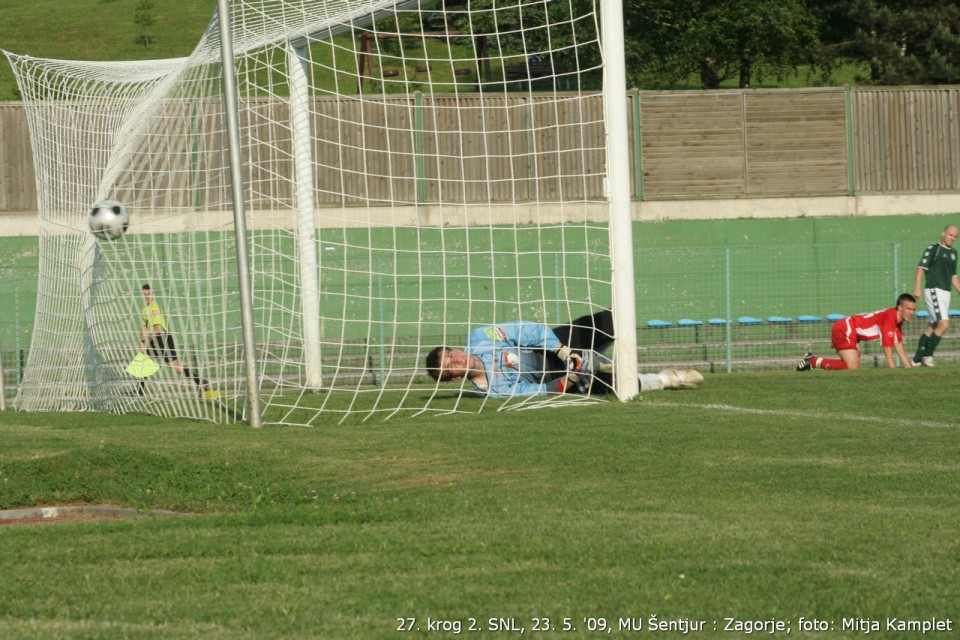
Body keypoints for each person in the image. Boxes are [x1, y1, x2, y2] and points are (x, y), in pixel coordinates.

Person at [425, 309, 703, 398]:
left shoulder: (479, 339)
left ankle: (603, 362)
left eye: (452, 354)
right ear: (453, 379)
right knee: (621, 389)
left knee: (607, 321)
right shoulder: (492, 390)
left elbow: (524, 330)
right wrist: (571, 375)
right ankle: (668, 379)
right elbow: (536, 392)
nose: (459, 359)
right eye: (452, 367)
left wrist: (562, 350)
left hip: (554, 345)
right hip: (560, 377)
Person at [796, 293, 917, 371]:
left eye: (913, 309)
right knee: (851, 368)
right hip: (846, 327)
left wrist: (907, 367)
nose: (911, 312)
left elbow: (898, 343)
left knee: (853, 369)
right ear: (900, 308)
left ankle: (812, 360)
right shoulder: (891, 317)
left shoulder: (896, 320)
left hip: (851, 331)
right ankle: (812, 360)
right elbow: (887, 346)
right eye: (908, 309)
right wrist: (893, 369)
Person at [137, 284, 210, 396]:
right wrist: (141, 341)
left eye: (149, 294)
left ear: (153, 295)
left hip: (162, 338)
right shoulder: (144, 309)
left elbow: (157, 329)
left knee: (150, 362)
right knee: (175, 368)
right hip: (157, 340)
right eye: (144, 294)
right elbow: (145, 326)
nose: (146, 296)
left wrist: (146, 342)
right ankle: (201, 382)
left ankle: (139, 391)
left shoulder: (154, 308)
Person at [911, 224, 960, 367]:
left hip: (946, 293)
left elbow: (953, 276)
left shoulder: (953, 253)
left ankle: (916, 360)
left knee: (932, 326)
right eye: (950, 234)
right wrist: (917, 288)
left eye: (955, 236)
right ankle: (928, 355)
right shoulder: (934, 249)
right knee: (944, 324)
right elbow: (921, 268)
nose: (953, 238)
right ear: (943, 233)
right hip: (934, 290)